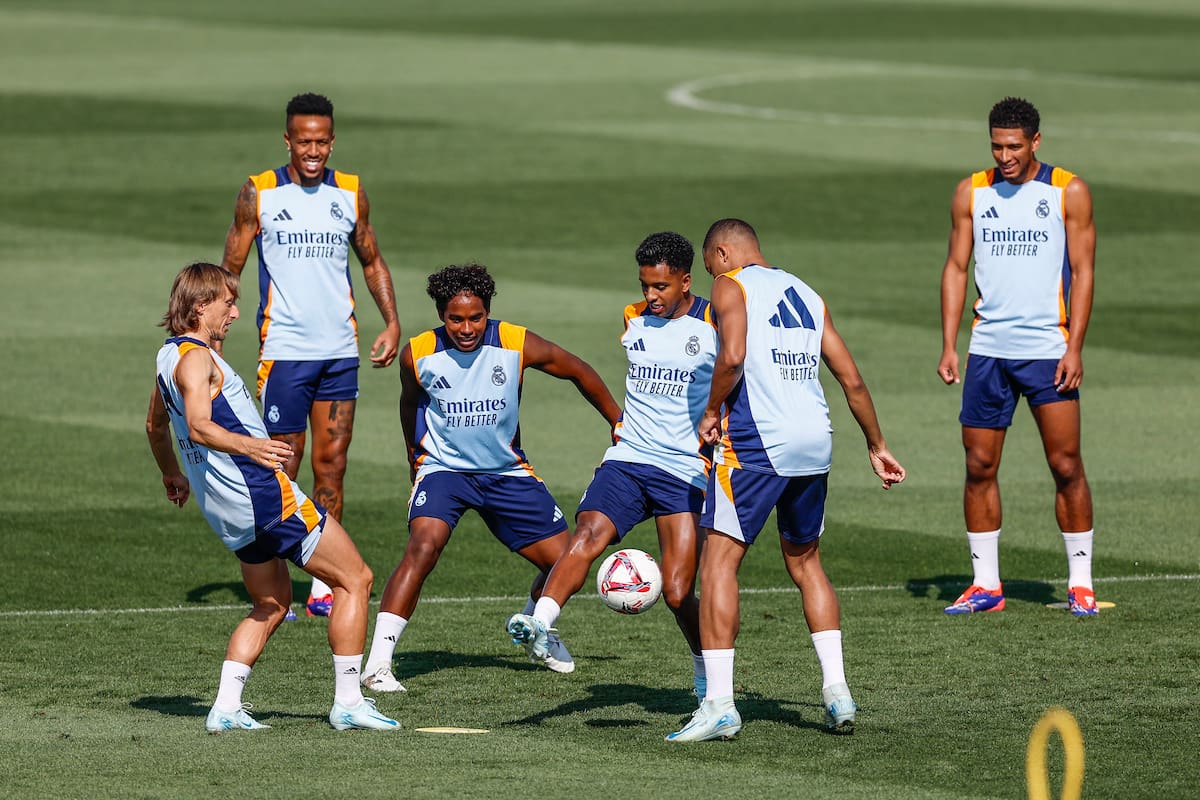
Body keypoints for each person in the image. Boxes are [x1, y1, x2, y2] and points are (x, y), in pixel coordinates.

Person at [667, 219, 906, 743]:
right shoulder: (806, 291)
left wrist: (710, 412)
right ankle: (838, 691)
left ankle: (720, 704)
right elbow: (852, 378)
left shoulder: (732, 287)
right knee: (806, 562)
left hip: (757, 445)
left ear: (724, 254)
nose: (712, 278)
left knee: (719, 561)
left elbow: (730, 358)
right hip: (815, 443)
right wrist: (876, 444)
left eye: (710, 267)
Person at [145, 262, 399, 732]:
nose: (236, 312)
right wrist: (253, 445)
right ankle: (348, 701)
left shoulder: (166, 359)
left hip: (226, 511)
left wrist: (172, 475)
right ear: (200, 306)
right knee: (355, 579)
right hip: (263, 496)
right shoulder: (198, 360)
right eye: (227, 302)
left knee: (273, 603)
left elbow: (155, 426)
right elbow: (199, 425)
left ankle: (225, 707)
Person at [359, 263, 622, 692]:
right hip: (445, 470)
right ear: (441, 315)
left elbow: (576, 368)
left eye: (476, 317)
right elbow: (409, 404)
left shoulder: (516, 343)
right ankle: (378, 664)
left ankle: (534, 627)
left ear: (488, 312)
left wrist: (617, 420)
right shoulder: (418, 353)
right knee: (424, 546)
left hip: (505, 472)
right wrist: (414, 457)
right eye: (456, 319)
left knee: (564, 562)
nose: (467, 327)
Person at [505, 232, 717, 703]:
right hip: (629, 459)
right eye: (645, 285)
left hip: (683, 470)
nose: (650, 296)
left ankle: (707, 669)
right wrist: (619, 421)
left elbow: (740, 377)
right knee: (586, 536)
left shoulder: (715, 322)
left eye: (661, 287)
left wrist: (721, 423)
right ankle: (540, 623)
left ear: (685, 281)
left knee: (680, 592)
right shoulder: (633, 318)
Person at [221, 92, 401, 617]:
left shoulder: (349, 192)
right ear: (288, 141)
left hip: (340, 354)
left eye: (322, 141)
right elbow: (229, 269)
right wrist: (213, 336)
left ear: (333, 140)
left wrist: (391, 321)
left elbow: (371, 260)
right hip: (284, 354)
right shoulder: (259, 192)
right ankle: (276, 578)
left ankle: (325, 585)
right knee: (280, 466)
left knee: (332, 467)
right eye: (304, 142)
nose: (313, 151)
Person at [937, 97, 1098, 618]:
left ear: (1035, 142)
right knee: (979, 465)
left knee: (1065, 464)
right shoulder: (972, 192)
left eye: (1013, 146)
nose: (1004, 155)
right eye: (996, 146)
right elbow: (957, 267)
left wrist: (1075, 345)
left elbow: (1085, 270)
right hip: (988, 352)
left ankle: (1080, 583)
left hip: (1049, 350)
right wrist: (949, 343)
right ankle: (986, 585)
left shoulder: (1067, 191)